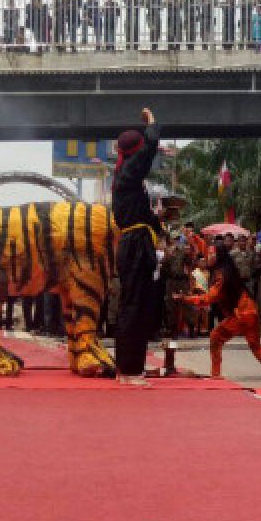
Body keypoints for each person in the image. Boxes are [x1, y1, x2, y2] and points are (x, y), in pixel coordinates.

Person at [179, 242, 261, 379]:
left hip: (241, 315)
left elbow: (208, 298)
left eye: (212, 254)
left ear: (219, 257)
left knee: (215, 337)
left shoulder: (221, 275)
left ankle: (216, 374)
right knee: (256, 346)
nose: (208, 257)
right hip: (251, 312)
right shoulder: (228, 270)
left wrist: (186, 298)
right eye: (208, 253)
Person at [112, 109, 164, 383]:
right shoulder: (129, 172)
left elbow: (143, 217)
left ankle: (132, 366)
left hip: (137, 242)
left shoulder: (128, 177)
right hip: (134, 245)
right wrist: (152, 122)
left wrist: (157, 221)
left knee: (139, 305)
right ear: (135, 150)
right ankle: (129, 369)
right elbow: (152, 145)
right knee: (133, 305)